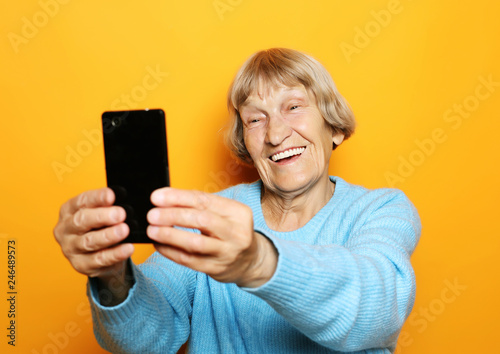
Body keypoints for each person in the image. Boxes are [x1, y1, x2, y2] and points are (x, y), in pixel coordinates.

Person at [54, 48, 421, 353]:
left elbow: (378, 310)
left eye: (293, 107)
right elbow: (146, 340)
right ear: (245, 142)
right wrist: (113, 276)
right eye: (255, 119)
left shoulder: (381, 210)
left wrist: (257, 261)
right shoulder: (207, 218)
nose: (275, 134)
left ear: (335, 127)